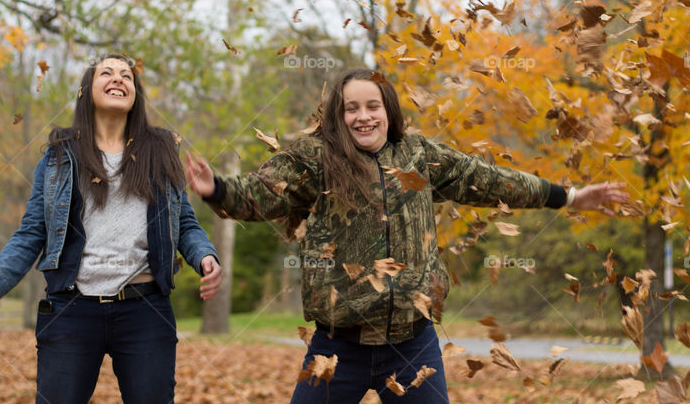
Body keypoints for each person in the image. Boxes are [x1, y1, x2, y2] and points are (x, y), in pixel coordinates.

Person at [185, 68, 627, 404]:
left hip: (414, 345)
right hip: (338, 347)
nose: (362, 116)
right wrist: (218, 190)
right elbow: (262, 194)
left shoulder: (419, 155)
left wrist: (567, 197)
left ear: (388, 109)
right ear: (338, 116)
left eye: (372, 106)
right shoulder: (316, 159)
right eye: (350, 108)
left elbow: (489, 181)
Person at [0, 54, 221, 404]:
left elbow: (185, 224)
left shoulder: (161, 153)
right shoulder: (58, 157)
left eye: (126, 75)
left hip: (144, 310)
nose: (119, 78)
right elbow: (31, 233)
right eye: (107, 73)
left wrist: (205, 255)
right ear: (87, 90)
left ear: (135, 94)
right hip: (71, 310)